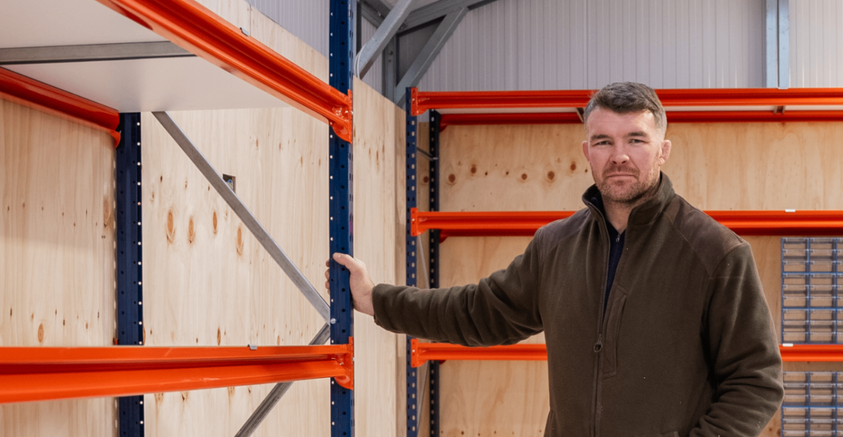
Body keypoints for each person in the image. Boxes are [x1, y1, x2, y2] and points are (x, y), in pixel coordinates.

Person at [331, 82, 783, 436]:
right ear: (587, 152)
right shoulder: (556, 246)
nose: (619, 155)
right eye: (603, 141)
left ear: (663, 150)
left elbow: (756, 381)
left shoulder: (716, 254)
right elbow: (477, 312)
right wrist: (376, 301)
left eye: (636, 140)